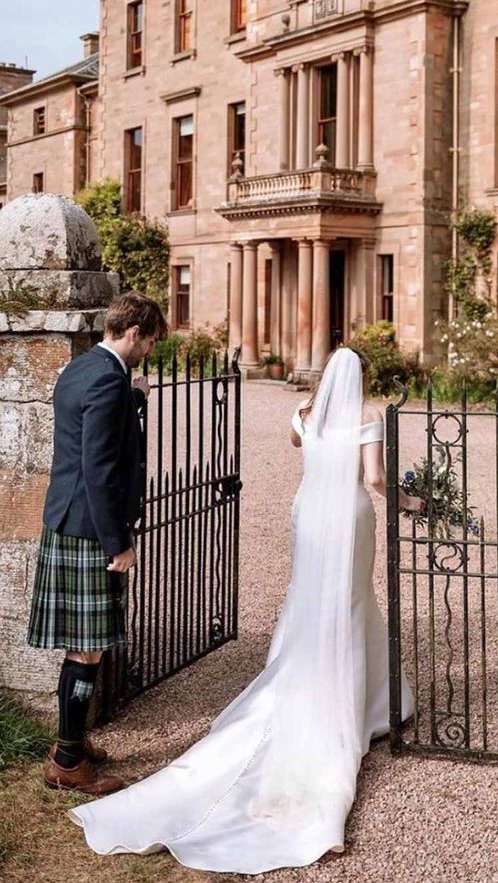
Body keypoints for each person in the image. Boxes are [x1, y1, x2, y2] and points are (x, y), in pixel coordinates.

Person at [68, 346, 422, 874]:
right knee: (350, 602)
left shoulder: (302, 413)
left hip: (309, 513)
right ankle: (361, 704)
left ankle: (344, 688)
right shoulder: (369, 415)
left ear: (324, 375)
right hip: (348, 516)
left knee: (309, 599)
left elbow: (299, 444)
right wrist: (415, 501)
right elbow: (373, 480)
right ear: (363, 378)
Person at [27, 291, 168, 795]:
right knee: (87, 650)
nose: (149, 351)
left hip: (66, 518)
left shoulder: (84, 368)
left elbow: (92, 425)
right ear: (134, 333)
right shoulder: (108, 380)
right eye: (150, 341)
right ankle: (67, 761)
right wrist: (118, 543)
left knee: (83, 645)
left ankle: (73, 743)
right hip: (91, 527)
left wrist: (133, 397)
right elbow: (99, 468)